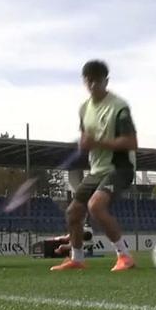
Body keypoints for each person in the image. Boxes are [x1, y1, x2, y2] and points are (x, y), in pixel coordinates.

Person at [52, 60, 138, 272]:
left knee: (95, 206)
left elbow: (131, 142)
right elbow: (85, 138)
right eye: (88, 81)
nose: (92, 85)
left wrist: (97, 142)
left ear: (105, 81)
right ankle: (77, 258)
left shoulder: (119, 108)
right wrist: (84, 144)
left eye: (97, 81)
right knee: (73, 212)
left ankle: (124, 256)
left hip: (120, 167)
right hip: (97, 170)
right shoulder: (84, 109)